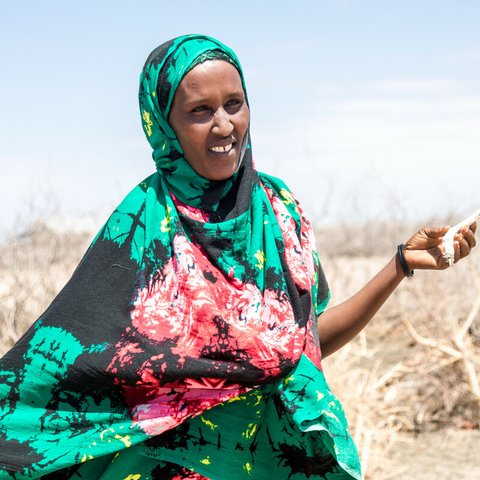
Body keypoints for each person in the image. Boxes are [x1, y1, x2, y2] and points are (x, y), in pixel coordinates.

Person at [0, 34, 476, 480]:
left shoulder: (278, 208)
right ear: (165, 124)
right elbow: (65, 366)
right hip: (171, 463)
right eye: (200, 110)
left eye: (234, 104)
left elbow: (303, 345)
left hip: (279, 457)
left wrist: (400, 266)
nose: (225, 125)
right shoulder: (143, 222)